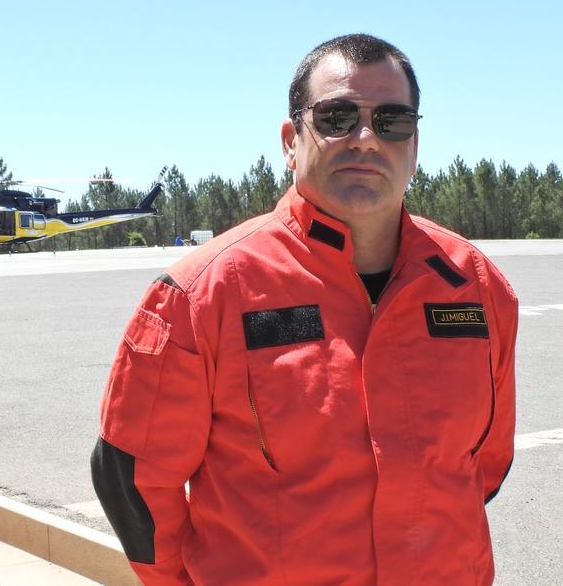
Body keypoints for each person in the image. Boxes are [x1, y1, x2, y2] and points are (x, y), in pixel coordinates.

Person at [91, 33, 517, 585]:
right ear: (292, 141)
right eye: (337, 117)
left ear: (414, 142)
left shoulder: (476, 288)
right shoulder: (204, 293)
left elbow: (483, 467)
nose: (365, 138)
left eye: (392, 121)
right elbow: (132, 476)